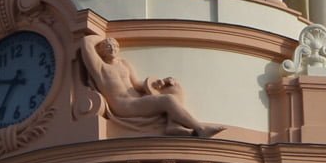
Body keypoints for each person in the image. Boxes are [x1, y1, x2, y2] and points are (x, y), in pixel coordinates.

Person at [79, 32, 223, 137]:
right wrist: (102, 37)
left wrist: (160, 83)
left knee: (174, 88)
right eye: (107, 46)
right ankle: (200, 128)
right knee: (167, 100)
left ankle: (173, 125)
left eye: (115, 46)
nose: (112, 49)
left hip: (136, 100)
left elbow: (137, 85)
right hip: (124, 106)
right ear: (101, 50)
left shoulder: (123, 64)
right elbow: (86, 43)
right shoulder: (99, 67)